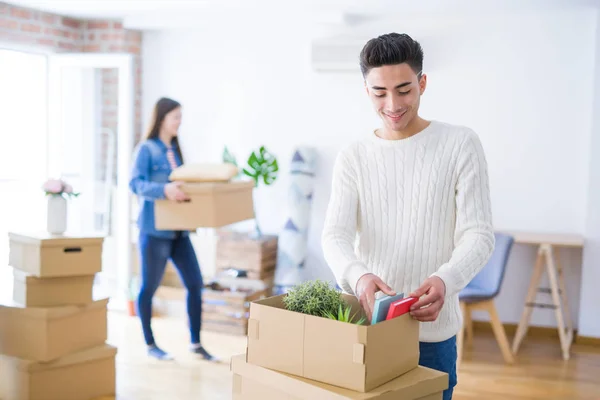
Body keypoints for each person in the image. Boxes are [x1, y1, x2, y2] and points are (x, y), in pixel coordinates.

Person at [321, 33, 494, 399]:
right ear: (366, 91)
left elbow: (478, 234)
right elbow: (334, 236)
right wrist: (360, 275)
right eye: (379, 92)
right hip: (368, 329)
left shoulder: (460, 143)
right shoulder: (353, 156)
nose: (393, 104)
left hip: (432, 337)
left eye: (403, 89)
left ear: (422, 83)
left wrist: (447, 279)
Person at [129, 97, 216, 362]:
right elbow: (135, 184)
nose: (180, 122)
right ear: (162, 118)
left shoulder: (175, 151)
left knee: (195, 283)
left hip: (179, 232)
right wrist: (164, 190)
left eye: (180, 117)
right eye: (176, 117)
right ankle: (150, 344)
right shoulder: (146, 149)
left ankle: (195, 343)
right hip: (154, 231)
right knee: (148, 287)